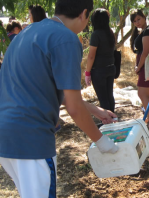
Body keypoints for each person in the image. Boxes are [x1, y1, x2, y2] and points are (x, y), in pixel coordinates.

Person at [0, 0, 119, 197]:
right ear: (83, 14)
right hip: (31, 139)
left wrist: (96, 110)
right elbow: (73, 108)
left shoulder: (29, 32)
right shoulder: (67, 39)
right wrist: (102, 141)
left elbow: (54, 90)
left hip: (6, 136)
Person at [130, 9, 149, 130]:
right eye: (134, 21)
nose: (137, 22)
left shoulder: (147, 32)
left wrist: (138, 67)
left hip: (147, 67)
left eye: (139, 19)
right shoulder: (147, 30)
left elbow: (145, 52)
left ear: (144, 17)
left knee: (142, 93)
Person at [85, 8, 116, 113]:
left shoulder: (96, 34)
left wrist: (87, 72)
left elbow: (91, 56)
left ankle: (107, 122)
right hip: (111, 68)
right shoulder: (110, 32)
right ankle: (113, 118)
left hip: (99, 71)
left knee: (103, 99)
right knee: (109, 96)